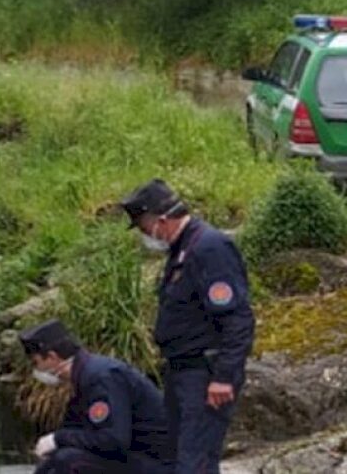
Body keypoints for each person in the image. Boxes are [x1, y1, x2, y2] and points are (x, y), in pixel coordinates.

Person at [120, 179, 255, 474]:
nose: (145, 236)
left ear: (162, 219)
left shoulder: (209, 248)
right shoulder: (181, 249)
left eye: (144, 228)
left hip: (205, 374)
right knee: (174, 458)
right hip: (180, 371)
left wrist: (225, 377)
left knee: (195, 464)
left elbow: (238, 319)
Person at [19, 319, 173, 474]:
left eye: (36, 363)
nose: (36, 370)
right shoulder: (85, 378)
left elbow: (113, 440)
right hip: (137, 457)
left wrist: (59, 438)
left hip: (156, 462)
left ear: (52, 357)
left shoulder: (101, 378)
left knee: (68, 459)